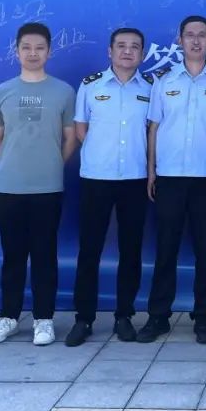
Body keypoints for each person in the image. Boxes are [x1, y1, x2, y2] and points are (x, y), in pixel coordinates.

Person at [137, 15, 206, 345]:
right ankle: (158, 316)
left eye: (202, 35)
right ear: (179, 40)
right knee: (166, 249)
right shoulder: (164, 80)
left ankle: (203, 317)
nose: (195, 40)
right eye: (189, 35)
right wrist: (152, 170)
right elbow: (154, 126)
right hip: (169, 177)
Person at [0, 22, 77, 347]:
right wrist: (13, 162)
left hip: (48, 187)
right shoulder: (3, 91)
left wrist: (50, 164)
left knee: (44, 255)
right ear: (17, 51)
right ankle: (8, 317)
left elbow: (70, 138)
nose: (33, 53)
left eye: (39, 48)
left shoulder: (64, 92)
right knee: (12, 255)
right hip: (8, 186)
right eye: (26, 47)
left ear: (49, 52)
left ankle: (43, 319)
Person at [64, 28, 153, 347]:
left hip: (135, 178)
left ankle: (124, 316)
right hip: (96, 178)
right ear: (109, 51)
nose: (127, 51)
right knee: (90, 250)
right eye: (121, 46)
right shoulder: (91, 86)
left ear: (142, 53)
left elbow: (152, 131)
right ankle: (84, 318)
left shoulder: (151, 88)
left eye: (135, 47)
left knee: (131, 250)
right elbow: (81, 129)